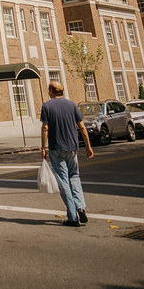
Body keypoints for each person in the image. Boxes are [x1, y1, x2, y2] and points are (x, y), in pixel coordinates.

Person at [40, 81, 94, 227]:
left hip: (56, 148)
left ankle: (72, 217)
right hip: (72, 147)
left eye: (49, 89)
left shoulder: (47, 106)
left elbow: (45, 128)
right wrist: (88, 146)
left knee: (63, 181)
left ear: (51, 91)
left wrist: (43, 148)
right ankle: (80, 206)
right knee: (75, 176)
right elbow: (82, 126)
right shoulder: (71, 105)